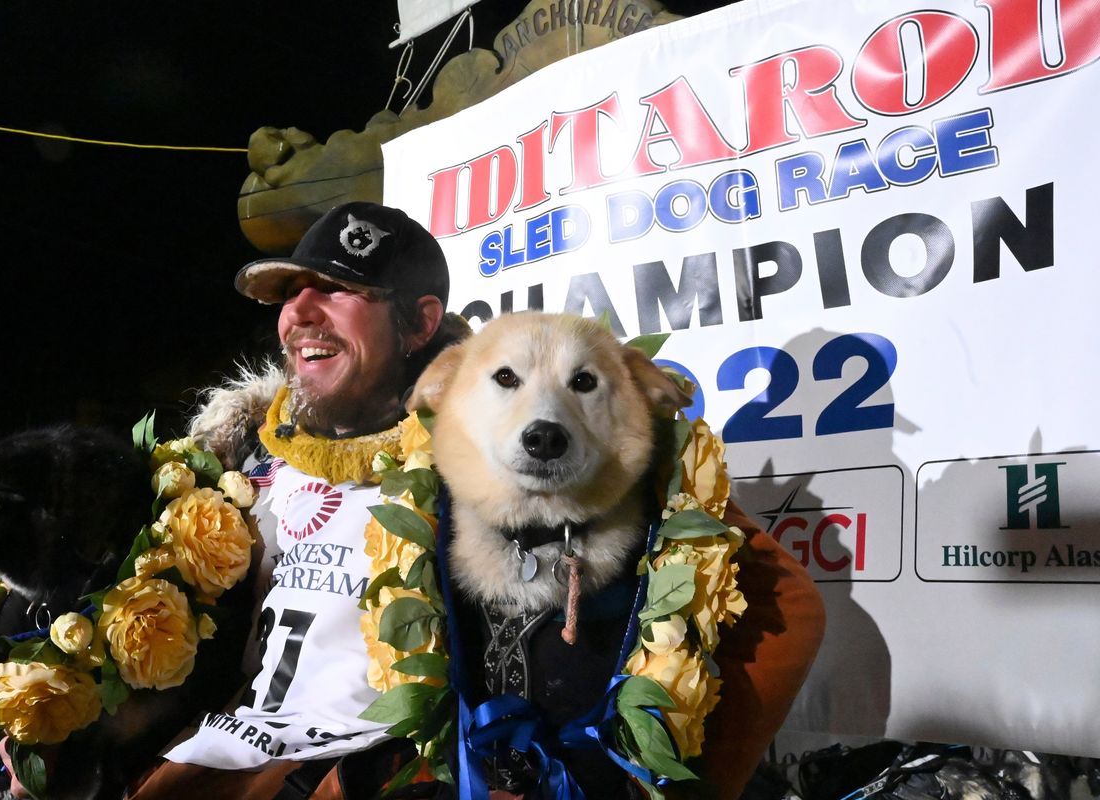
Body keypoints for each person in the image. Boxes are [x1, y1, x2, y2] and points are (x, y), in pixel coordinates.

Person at [129, 201, 824, 800]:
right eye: (292, 294)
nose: (301, 313)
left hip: (386, 777)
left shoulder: (511, 441)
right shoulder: (238, 458)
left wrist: (669, 780)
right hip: (212, 767)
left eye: (341, 291)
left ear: (419, 322)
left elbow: (779, 606)